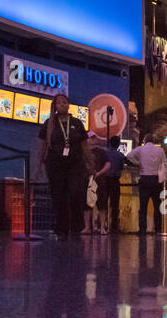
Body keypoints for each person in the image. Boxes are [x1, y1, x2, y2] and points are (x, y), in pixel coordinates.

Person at [36, 94, 93, 238]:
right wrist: (38, 166)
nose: (62, 104)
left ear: (68, 105)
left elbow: (85, 146)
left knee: (74, 192)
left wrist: (91, 165)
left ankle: (76, 226)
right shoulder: (49, 123)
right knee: (58, 196)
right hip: (55, 164)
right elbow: (42, 146)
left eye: (65, 102)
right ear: (54, 106)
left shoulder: (77, 123)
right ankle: (61, 229)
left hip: (75, 164)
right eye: (59, 103)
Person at [126, 132, 167, 234]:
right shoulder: (160, 150)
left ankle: (142, 229)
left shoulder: (140, 149)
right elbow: (165, 164)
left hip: (144, 178)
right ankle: (158, 228)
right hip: (156, 180)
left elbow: (129, 156)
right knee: (157, 206)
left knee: (143, 206)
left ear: (144, 141)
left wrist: (138, 163)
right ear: (153, 141)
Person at [94, 135, 126, 233]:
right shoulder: (120, 155)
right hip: (115, 181)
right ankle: (114, 227)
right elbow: (121, 167)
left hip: (104, 180)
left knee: (102, 203)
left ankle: (101, 225)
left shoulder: (105, 153)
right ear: (118, 144)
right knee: (114, 204)